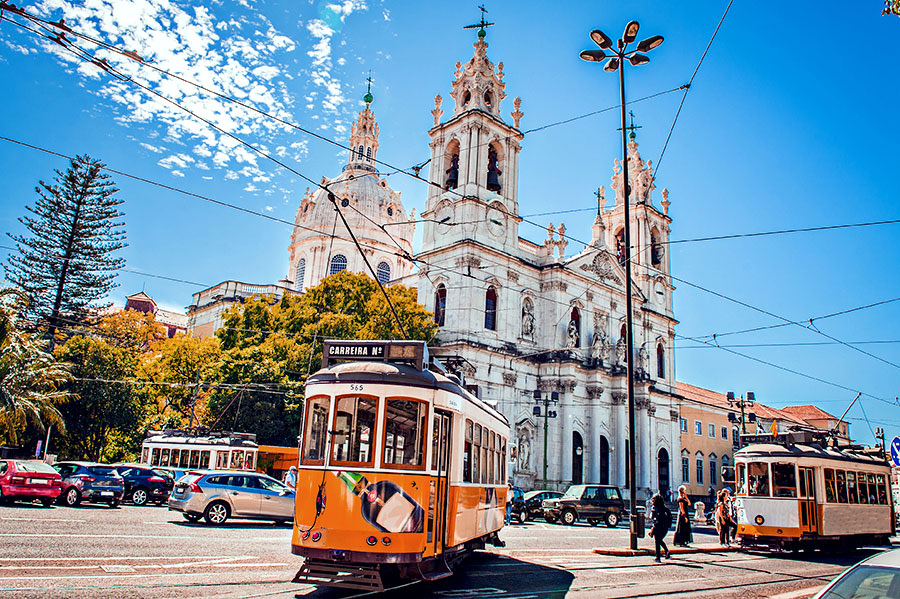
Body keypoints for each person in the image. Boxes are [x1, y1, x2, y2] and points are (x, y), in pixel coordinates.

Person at [649, 493, 671, 562]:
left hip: (658, 526)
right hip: (665, 527)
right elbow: (670, 516)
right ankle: (666, 551)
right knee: (659, 540)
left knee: (657, 541)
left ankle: (658, 557)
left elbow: (652, 517)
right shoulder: (665, 508)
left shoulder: (655, 508)